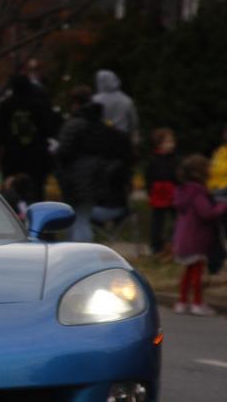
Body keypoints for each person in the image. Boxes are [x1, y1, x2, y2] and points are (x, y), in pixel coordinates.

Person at [55, 86, 132, 242]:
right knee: (82, 217)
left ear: (75, 103)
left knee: (78, 220)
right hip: (95, 177)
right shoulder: (101, 125)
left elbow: (64, 151)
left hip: (76, 178)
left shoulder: (74, 124)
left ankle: (78, 252)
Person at [172, 154, 227, 316]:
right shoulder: (198, 192)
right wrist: (223, 206)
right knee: (197, 272)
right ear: (199, 172)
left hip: (184, 237)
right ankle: (197, 302)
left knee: (188, 272)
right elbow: (207, 213)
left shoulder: (183, 191)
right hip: (197, 238)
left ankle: (182, 302)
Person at [0, 75, 55, 200]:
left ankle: (13, 212)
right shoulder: (39, 105)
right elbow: (48, 130)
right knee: (36, 189)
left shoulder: (5, 105)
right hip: (36, 154)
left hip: (12, 154)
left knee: (10, 188)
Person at [145, 128, 179, 256]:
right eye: (168, 141)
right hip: (159, 193)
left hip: (172, 192)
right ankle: (156, 246)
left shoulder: (175, 159)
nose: (171, 144)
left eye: (172, 141)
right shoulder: (154, 159)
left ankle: (173, 243)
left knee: (176, 219)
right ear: (159, 143)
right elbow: (149, 177)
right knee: (157, 221)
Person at [92, 69, 139, 145]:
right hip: (122, 138)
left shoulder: (95, 100)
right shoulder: (126, 100)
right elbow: (133, 122)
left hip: (101, 139)